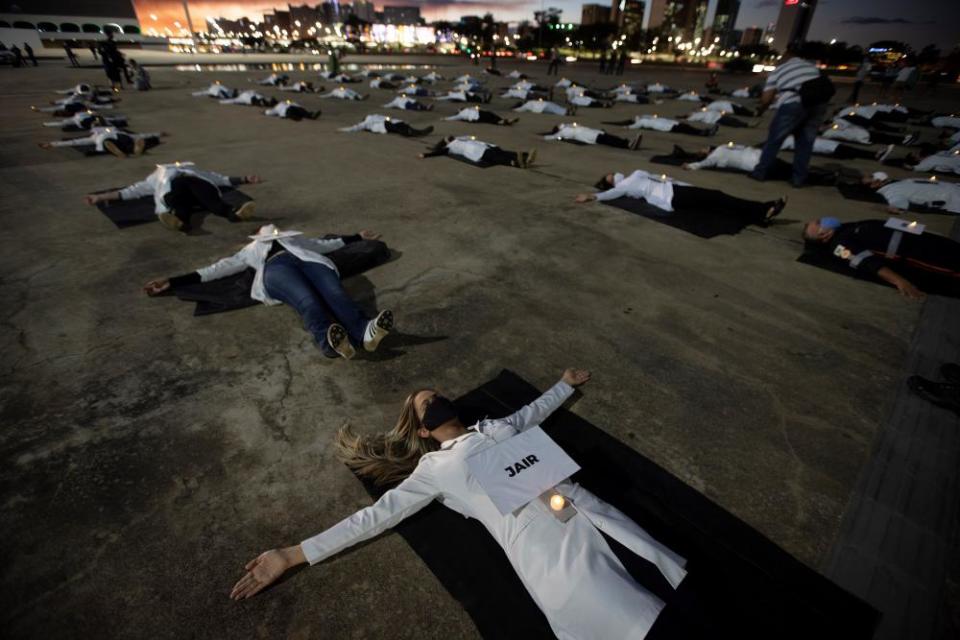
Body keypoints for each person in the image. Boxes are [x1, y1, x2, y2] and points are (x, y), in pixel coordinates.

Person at [230, 369, 693, 640]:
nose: (432, 399)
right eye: (422, 404)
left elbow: (535, 411)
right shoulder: (434, 471)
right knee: (639, 625)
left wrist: (565, 385)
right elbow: (373, 517)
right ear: (424, 431)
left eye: (434, 394)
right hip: (554, 552)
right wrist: (293, 554)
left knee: (678, 594)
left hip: (597, 516)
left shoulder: (497, 426)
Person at [144, 224, 392, 359]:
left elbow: (325, 245)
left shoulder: (294, 239)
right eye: (266, 230)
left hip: (309, 261)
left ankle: (364, 333)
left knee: (335, 293)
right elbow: (217, 269)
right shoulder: (252, 249)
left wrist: (357, 236)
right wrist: (173, 281)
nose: (271, 230)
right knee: (308, 301)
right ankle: (329, 344)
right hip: (277, 269)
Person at [801, 217, 960, 299]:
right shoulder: (840, 246)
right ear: (824, 235)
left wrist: (920, 230)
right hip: (923, 256)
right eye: (820, 222)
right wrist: (899, 281)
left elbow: (888, 225)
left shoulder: (847, 227)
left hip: (928, 241)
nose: (824, 219)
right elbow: (866, 263)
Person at [83, 162, 261, 232]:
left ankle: (232, 213)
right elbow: (132, 191)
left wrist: (245, 179)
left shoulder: (193, 169)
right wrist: (101, 197)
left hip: (199, 189)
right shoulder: (157, 176)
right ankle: (179, 220)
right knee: (177, 198)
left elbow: (220, 178)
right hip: (175, 193)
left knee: (206, 196)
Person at [574, 169, 787, 226]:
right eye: (609, 177)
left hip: (676, 191)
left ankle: (758, 215)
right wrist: (592, 196)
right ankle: (762, 209)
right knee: (718, 197)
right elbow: (612, 194)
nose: (613, 174)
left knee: (716, 205)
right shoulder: (625, 185)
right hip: (673, 195)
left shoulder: (632, 177)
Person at [750, 44, 828, 187]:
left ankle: (760, 172)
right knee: (805, 144)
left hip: (793, 104)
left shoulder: (779, 70)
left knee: (774, 140)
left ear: (786, 55)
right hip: (818, 105)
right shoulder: (811, 67)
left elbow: (766, 99)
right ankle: (798, 178)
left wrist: (760, 110)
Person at [666, 143, 838, 186]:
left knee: (791, 174)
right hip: (766, 157)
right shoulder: (724, 147)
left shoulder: (718, 153)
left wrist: (691, 165)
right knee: (792, 169)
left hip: (760, 165)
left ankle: (823, 178)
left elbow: (705, 163)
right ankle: (822, 176)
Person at [862, 172, 960, 214]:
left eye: (871, 176)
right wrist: (894, 208)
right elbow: (899, 205)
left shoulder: (900, 183)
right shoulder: (891, 192)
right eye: (872, 178)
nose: (874, 177)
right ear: (874, 185)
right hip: (954, 196)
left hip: (953, 192)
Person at [38, 127, 165, 158]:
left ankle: (134, 150)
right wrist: (52, 144)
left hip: (122, 139)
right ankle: (123, 151)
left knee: (138, 139)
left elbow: (140, 135)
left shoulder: (118, 130)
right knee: (108, 142)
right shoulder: (95, 136)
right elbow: (74, 142)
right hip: (108, 141)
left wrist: (158, 134)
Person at [419, 135, 536, 169]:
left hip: (485, 146)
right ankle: (518, 163)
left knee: (502, 152)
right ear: (446, 143)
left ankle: (526, 156)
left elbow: (470, 136)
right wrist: (425, 155)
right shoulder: (449, 148)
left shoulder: (460, 138)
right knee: (499, 158)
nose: (450, 137)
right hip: (478, 152)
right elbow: (439, 152)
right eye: (448, 138)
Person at [543, 123, 642, 151]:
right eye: (558, 126)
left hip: (593, 132)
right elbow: (549, 137)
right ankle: (628, 146)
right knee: (610, 141)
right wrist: (550, 136)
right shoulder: (561, 133)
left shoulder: (568, 126)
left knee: (612, 138)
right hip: (590, 136)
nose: (561, 124)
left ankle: (628, 143)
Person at [822, 118, 918, 146]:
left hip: (862, 133)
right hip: (861, 136)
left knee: (883, 137)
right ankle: (903, 140)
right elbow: (843, 128)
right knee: (883, 138)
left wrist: (833, 124)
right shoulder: (828, 133)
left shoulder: (836, 122)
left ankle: (904, 140)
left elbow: (844, 124)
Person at [603, 114, 718, 137]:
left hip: (669, 123)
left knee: (686, 127)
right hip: (667, 127)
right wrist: (627, 127)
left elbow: (645, 116)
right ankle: (703, 133)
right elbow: (634, 126)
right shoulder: (641, 122)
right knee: (685, 129)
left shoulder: (644, 118)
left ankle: (703, 131)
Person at [339, 114, 433, 137]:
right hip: (387, 123)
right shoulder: (371, 118)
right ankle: (418, 132)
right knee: (400, 126)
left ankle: (416, 132)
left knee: (399, 127)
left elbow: (355, 127)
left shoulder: (367, 121)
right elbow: (356, 127)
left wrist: (342, 129)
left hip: (385, 125)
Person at [43, 110, 127, 131]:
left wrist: (93, 113)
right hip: (87, 122)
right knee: (105, 120)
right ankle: (119, 120)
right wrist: (47, 124)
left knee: (106, 119)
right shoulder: (75, 117)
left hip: (90, 120)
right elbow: (60, 123)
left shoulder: (77, 115)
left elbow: (91, 113)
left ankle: (121, 119)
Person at [444, 106, 517, 126]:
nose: (461, 108)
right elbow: (453, 118)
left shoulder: (468, 108)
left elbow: (477, 108)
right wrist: (445, 118)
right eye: (460, 109)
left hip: (480, 113)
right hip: (477, 117)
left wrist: (477, 108)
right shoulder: (460, 115)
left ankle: (504, 121)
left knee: (490, 115)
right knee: (489, 119)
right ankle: (504, 121)